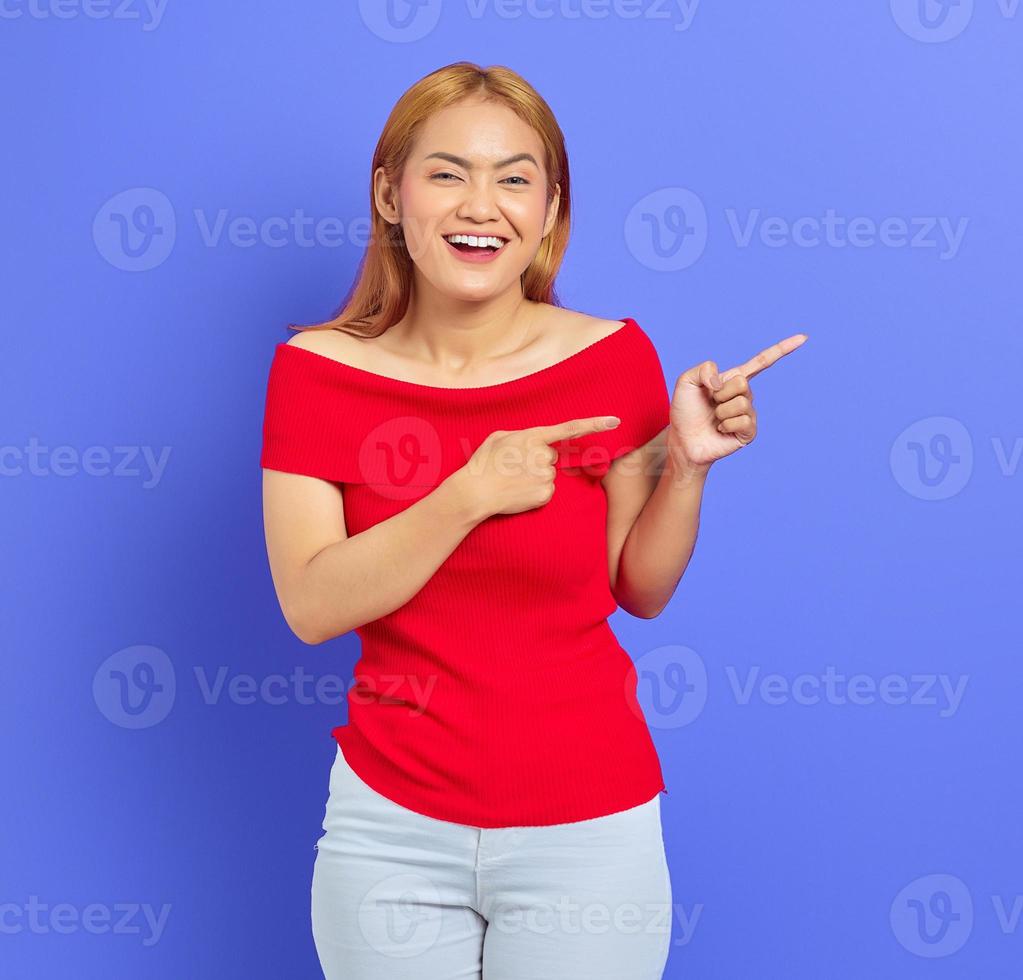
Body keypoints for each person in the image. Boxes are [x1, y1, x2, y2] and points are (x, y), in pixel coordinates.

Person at [258, 62, 805, 979]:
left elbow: (641, 588)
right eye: (448, 174)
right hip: (388, 828)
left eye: (515, 178)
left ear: (550, 210)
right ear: (390, 195)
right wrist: (468, 493)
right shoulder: (316, 372)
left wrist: (687, 468)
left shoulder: (613, 359)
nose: (483, 205)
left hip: (588, 825)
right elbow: (313, 605)